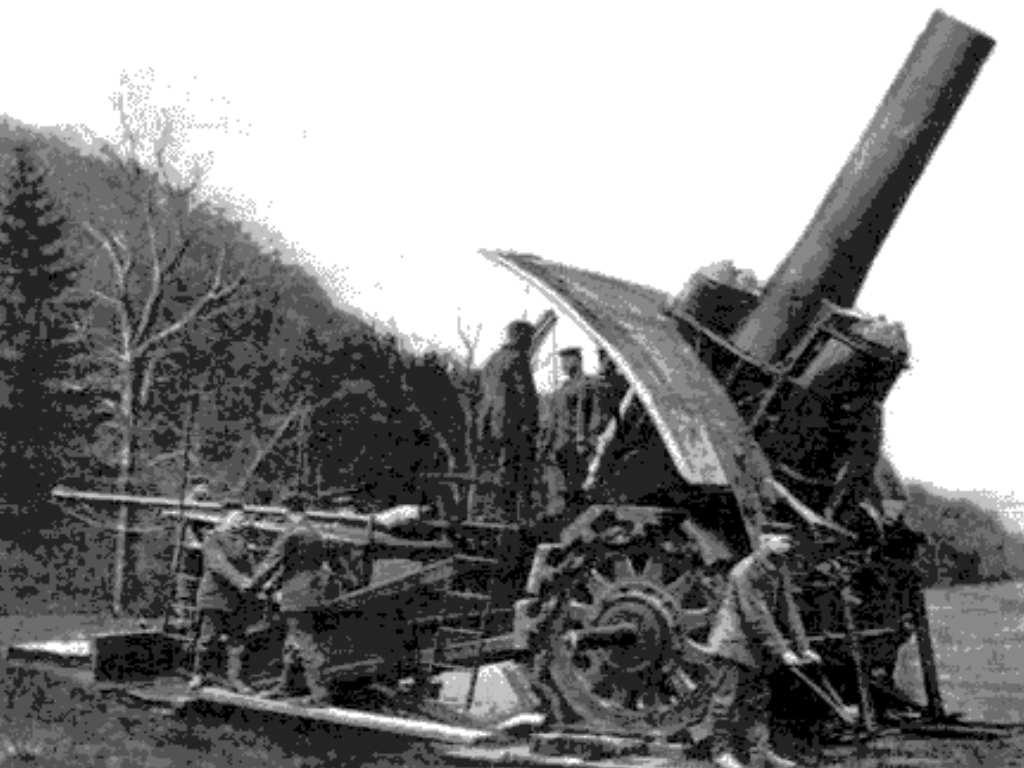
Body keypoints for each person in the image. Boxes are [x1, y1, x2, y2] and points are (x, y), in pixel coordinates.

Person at [701, 521, 820, 768]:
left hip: (754, 646)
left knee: (757, 700)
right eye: (782, 538)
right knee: (726, 701)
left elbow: (788, 609)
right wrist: (782, 650)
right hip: (731, 644)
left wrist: (803, 647)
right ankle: (721, 754)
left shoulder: (778, 566)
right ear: (765, 540)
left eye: (789, 539)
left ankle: (761, 751)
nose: (788, 543)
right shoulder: (744, 571)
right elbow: (756, 615)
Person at [250, 491, 334, 705]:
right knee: (292, 642)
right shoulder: (315, 532)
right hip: (314, 594)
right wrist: (273, 583)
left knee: (306, 645)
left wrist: (252, 584)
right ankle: (284, 686)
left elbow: (272, 561)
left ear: (286, 511)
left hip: (296, 596)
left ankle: (320, 696)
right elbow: (299, 563)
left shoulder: (291, 533)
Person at [473, 319, 540, 521]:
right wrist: (532, 425)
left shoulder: (492, 359)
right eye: (529, 338)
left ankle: (486, 512)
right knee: (514, 472)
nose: (530, 343)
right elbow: (526, 396)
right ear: (520, 337)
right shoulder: (518, 358)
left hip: (487, 425)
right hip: (511, 426)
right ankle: (509, 515)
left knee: (491, 470)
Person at [189, 497, 256, 694]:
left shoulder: (242, 541)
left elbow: (250, 566)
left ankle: (235, 679)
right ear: (226, 518)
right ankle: (199, 674)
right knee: (207, 639)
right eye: (238, 517)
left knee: (237, 641)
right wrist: (241, 581)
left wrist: (259, 583)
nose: (242, 521)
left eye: (243, 517)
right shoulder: (213, 539)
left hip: (236, 599)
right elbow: (219, 565)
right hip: (214, 596)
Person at [539, 346, 589, 519]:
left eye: (567, 360)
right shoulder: (564, 387)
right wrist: (545, 441)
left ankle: (568, 517)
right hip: (556, 443)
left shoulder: (583, 385)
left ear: (578, 360)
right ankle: (556, 515)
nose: (563, 365)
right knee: (555, 484)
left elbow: (583, 414)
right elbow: (552, 417)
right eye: (562, 361)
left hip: (571, 444)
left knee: (571, 485)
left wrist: (581, 439)